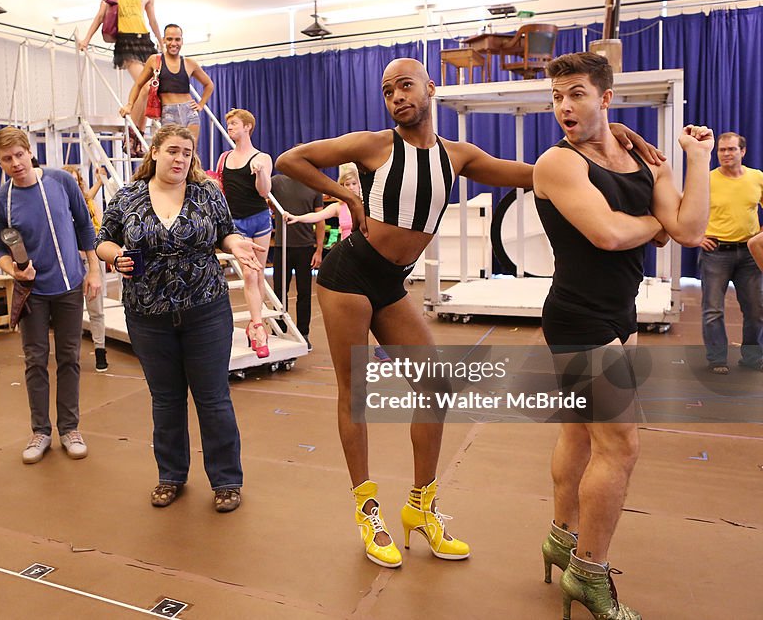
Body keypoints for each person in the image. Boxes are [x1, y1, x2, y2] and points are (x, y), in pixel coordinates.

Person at [276, 57, 659, 570]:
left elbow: (541, 173)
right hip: (349, 275)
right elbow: (290, 159)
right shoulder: (375, 145)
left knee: (434, 386)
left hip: (391, 282)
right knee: (356, 395)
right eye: (388, 90)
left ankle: (421, 507)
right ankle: (368, 511)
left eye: (406, 85)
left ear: (430, 88)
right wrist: (346, 194)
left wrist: (609, 136)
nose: (397, 97)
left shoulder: (458, 156)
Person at [533, 52, 712, 620]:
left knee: (583, 436)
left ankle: (562, 538)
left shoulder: (637, 155)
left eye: (577, 93)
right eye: (558, 96)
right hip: (577, 317)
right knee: (621, 446)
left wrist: (697, 158)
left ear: (606, 97)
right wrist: (659, 225)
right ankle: (590, 574)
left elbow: (691, 228)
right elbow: (610, 234)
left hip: (619, 314)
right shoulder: (558, 164)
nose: (565, 106)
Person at [96, 124, 263, 512]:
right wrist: (113, 256)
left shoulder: (207, 192)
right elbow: (102, 237)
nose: (180, 159)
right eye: (172, 151)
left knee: (213, 398)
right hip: (147, 314)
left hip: (205, 310)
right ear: (154, 152)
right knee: (166, 400)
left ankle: (226, 481)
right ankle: (171, 475)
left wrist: (237, 244)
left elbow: (226, 233)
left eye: (187, 153)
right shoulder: (128, 196)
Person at [0, 127, 101, 465]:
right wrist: (13, 271)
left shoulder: (60, 182)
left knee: (69, 358)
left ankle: (70, 428)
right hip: (32, 293)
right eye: (7, 159)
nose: (15, 163)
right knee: (36, 360)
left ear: (28, 152)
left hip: (68, 287)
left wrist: (93, 270)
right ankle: (41, 431)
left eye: (19, 155)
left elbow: (85, 226)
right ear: (0, 163)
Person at [283, 166, 390, 360]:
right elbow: (317, 216)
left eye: (353, 184)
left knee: (375, 301)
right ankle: (354, 347)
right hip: (350, 257)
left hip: (368, 256)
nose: (350, 188)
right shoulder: (339, 207)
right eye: (345, 185)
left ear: (360, 185)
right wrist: (296, 217)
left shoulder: (369, 205)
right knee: (353, 306)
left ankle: (380, 346)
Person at [697, 131, 763, 374]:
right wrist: (698, 237)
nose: (726, 154)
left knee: (756, 310)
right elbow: (689, 209)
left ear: (742, 152)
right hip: (716, 252)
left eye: (731, 149)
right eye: (722, 150)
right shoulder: (707, 179)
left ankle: (752, 358)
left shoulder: (757, 178)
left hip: (749, 254)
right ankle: (717, 360)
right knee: (713, 310)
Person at [80, 0, 163, 143]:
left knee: (149, 87)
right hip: (125, 41)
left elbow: (152, 20)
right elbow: (100, 16)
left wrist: (161, 41)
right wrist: (86, 39)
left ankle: (136, 133)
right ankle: (133, 136)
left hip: (145, 41)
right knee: (144, 84)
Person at [220, 108, 273, 358]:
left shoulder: (262, 157)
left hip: (260, 220)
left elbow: (264, 192)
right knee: (250, 275)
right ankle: (258, 328)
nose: (229, 127)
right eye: (228, 124)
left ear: (247, 127)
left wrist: (261, 171)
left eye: (234, 124)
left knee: (259, 274)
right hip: (237, 223)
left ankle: (254, 324)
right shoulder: (224, 158)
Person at [120, 23, 215, 147]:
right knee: (171, 150)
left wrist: (201, 104)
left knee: (190, 152)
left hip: (189, 112)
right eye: (169, 39)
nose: (173, 43)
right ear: (164, 40)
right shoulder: (155, 60)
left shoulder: (189, 63)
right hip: (168, 112)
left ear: (182, 41)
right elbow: (138, 84)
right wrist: (130, 104)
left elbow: (209, 85)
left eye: (177, 39)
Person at [269, 172, 324, 350]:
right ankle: (279, 329)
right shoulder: (276, 182)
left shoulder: (314, 184)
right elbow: (265, 197)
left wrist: (319, 250)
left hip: (305, 247)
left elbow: (320, 220)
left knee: (304, 292)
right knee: (279, 291)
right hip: (281, 247)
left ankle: (303, 333)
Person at [65, 165, 110, 372]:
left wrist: (100, 180)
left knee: (96, 309)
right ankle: (70, 354)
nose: (74, 184)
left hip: (92, 260)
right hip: (72, 263)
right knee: (70, 311)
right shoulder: (59, 207)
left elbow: (95, 228)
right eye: (69, 180)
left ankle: (100, 350)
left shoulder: (86, 202)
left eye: (76, 180)